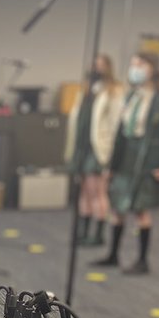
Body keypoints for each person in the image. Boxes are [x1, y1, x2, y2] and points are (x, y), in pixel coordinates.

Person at [92, 51, 159, 274]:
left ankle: (142, 259)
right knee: (117, 206)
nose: (135, 68)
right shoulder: (131, 96)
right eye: (133, 64)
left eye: (140, 63)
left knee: (140, 209)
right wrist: (112, 165)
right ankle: (113, 254)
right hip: (126, 155)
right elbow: (120, 132)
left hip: (148, 157)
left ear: (153, 68)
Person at [65, 53, 124, 248]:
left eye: (100, 65)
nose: (96, 68)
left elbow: (116, 123)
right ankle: (84, 230)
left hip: (99, 149)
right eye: (94, 64)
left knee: (97, 191)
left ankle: (98, 233)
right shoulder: (85, 91)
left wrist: (110, 156)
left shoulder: (113, 91)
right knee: (84, 192)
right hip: (82, 148)